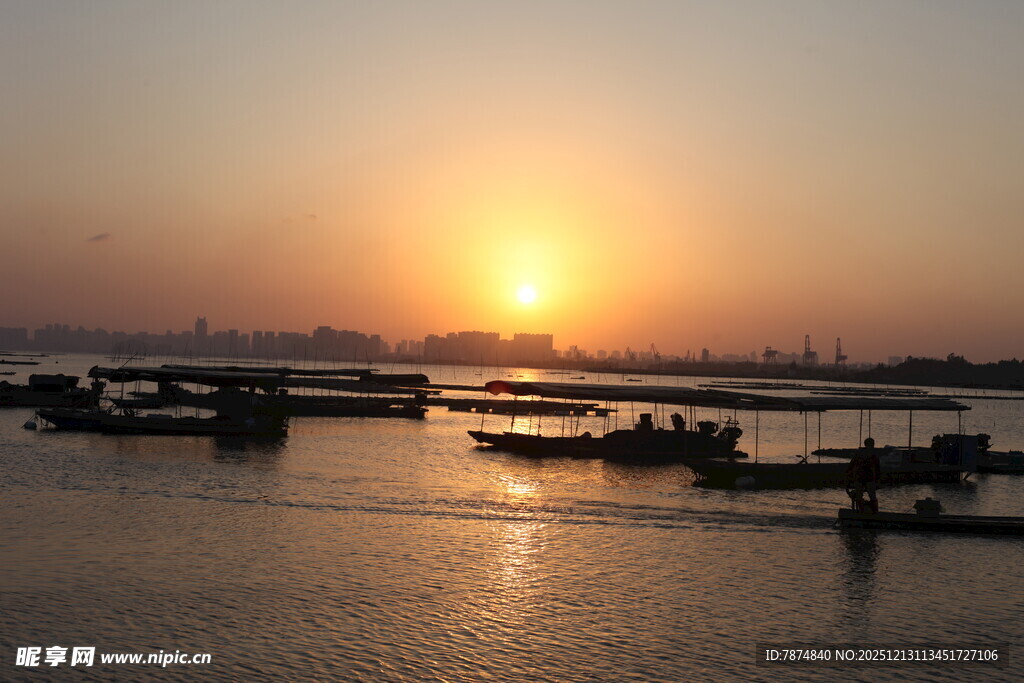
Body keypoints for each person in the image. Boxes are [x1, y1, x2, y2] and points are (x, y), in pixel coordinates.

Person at [846, 437, 881, 513]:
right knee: (872, 495)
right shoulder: (874, 455)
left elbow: (851, 465)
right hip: (868, 478)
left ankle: (861, 511)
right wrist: (878, 480)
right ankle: (875, 511)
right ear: (873, 445)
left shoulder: (859, 453)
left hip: (860, 477)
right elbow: (877, 468)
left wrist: (849, 475)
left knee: (859, 495)